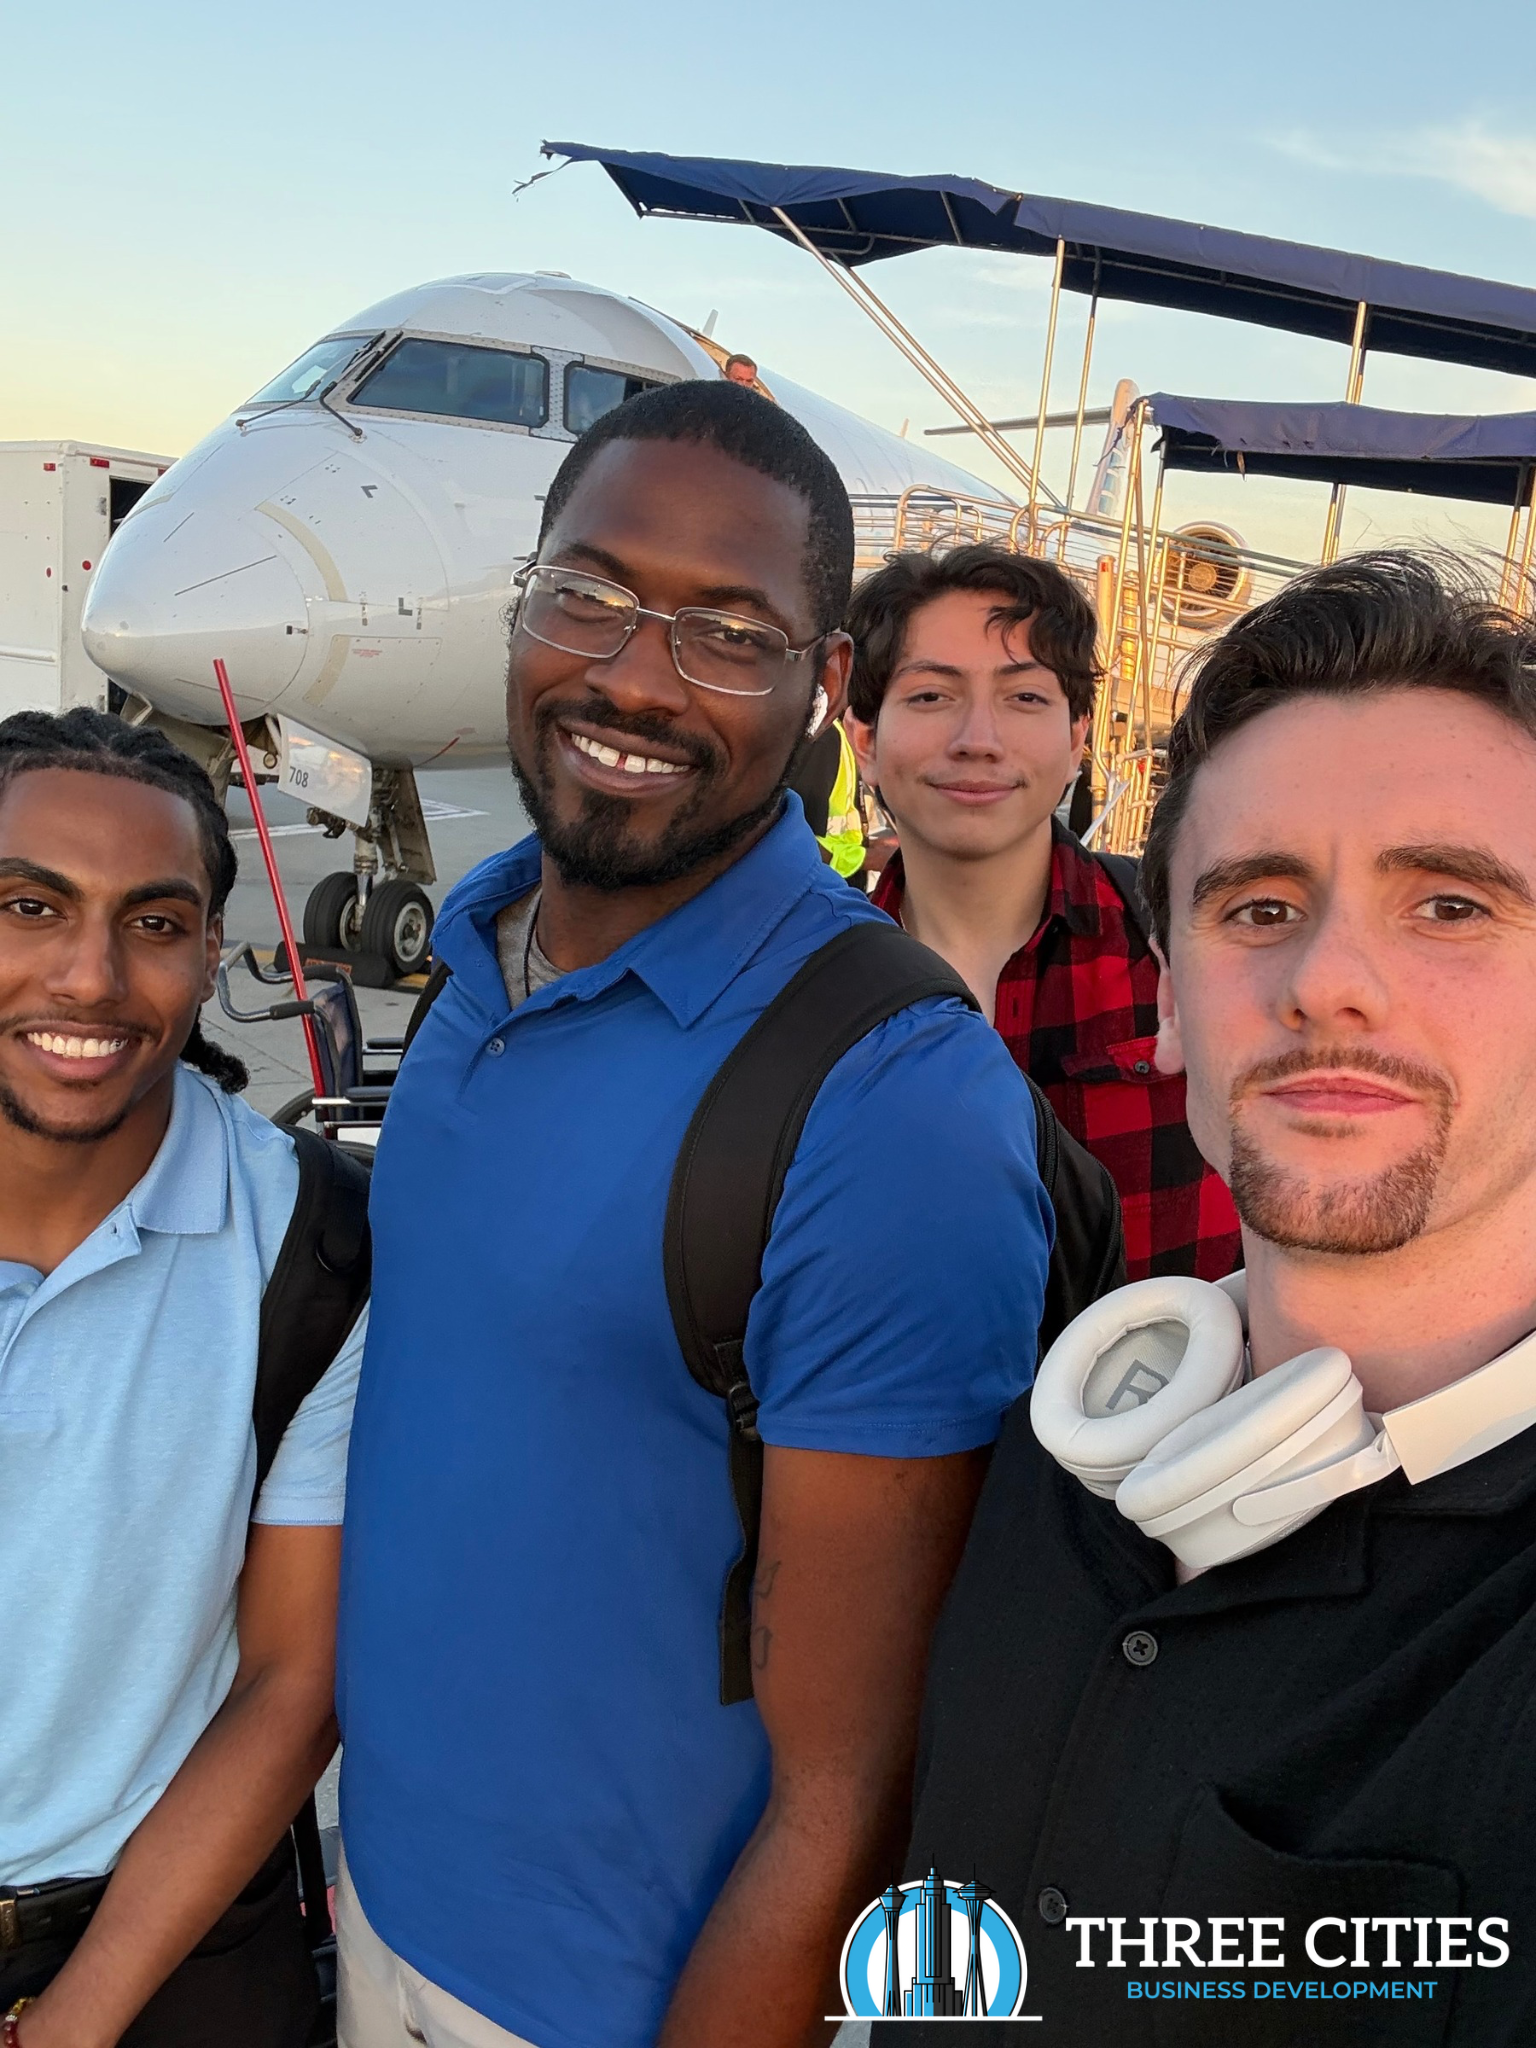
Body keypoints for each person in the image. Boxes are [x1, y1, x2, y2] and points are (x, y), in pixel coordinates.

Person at [335, 382, 1051, 2048]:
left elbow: (854, 1783)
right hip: (379, 1903)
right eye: (588, 592)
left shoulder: (891, 1103)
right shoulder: (478, 949)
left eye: (730, 632)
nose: (637, 678)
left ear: (827, 686)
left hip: (603, 2004)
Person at [884, 554, 1536, 2044]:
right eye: (1258, 906)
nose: (1329, 978)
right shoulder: (1057, 1462)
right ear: (1170, 996)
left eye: (1448, 902)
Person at [0, 711, 366, 2048]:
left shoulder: (313, 1249)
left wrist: (75, 2020)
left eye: (153, 923)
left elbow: (293, 1677)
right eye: (30, 906)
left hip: (156, 1942)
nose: (88, 977)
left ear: (213, 954)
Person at [844, 543, 1239, 1281]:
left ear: (1078, 737)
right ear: (865, 739)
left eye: (1025, 698)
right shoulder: (810, 993)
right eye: (930, 696)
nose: (978, 741)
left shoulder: (1184, 944)